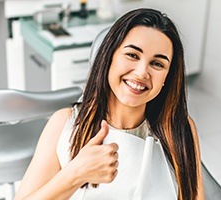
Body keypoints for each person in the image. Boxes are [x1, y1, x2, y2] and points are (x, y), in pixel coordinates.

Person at [15, 8, 204, 200]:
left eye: (157, 64)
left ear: (167, 77)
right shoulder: (64, 123)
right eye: (132, 55)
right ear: (109, 57)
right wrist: (75, 174)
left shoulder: (179, 128)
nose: (141, 73)